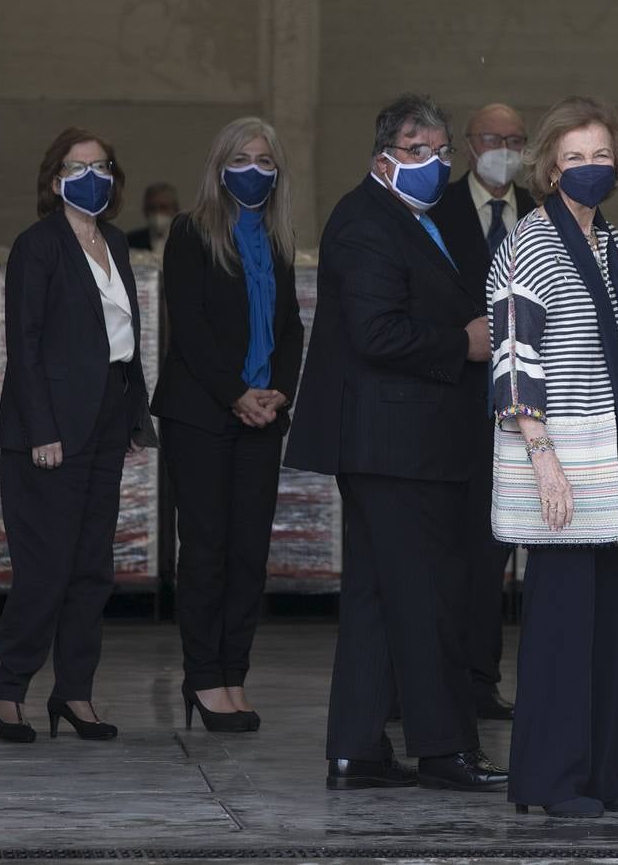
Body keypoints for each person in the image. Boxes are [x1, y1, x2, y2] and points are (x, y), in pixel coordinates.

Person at [284, 93, 508, 792]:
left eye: (442, 152)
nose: (435, 164)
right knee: (427, 597)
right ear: (384, 159)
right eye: (419, 152)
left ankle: (357, 750)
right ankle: (444, 752)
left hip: (407, 441)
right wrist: (464, 343)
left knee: (380, 599)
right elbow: (376, 333)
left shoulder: (417, 220)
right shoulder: (366, 223)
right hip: (394, 444)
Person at [487, 96, 618, 818]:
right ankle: (547, 779)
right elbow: (512, 356)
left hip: (613, 450)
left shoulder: (608, 243)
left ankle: (603, 772)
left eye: (601, 156)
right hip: (562, 451)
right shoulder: (532, 242)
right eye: (575, 158)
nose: (590, 169)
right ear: (548, 166)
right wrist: (542, 457)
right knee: (562, 626)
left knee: (611, 626)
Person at [0, 127, 153, 743]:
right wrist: (41, 428)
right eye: (79, 166)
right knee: (46, 568)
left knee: (92, 569)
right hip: (51, 426)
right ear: (54, 178)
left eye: (102, 165)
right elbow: (24, 344)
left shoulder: (114, 240)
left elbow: (125, 337)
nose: (93, 176)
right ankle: (8, 692)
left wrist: (136, 414)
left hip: (108, 417)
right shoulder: (38, 246)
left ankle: (75, 693)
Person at [151, 117, 304, 733]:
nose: (255, 170)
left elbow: (290, 325)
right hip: (203, 414)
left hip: (265, 414)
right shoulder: (191, 233)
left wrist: (278, 394)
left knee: (249, 554)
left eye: (265, 160)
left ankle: (233, 675)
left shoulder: (278, 238)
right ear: (220, 166)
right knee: (208, 551)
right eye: (243, 158)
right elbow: (187, 330)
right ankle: (203, 678)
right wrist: (237, 393)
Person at [430, 103, 536, 721]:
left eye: (516, 139)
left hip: (517, 405)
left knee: (494, 550)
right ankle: (426, 679)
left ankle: (479, 679)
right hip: (448, 396)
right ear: (469, 145)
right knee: (443, 549)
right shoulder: (435, 209)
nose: (505, 147)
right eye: (494, 137)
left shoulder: (540, 214)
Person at [127, 182, 180, 254]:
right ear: (145, 211)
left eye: (163, 207)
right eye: (152, 208)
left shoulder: (184, 241)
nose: (157, 212)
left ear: (175, 210)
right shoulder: (130, 241)